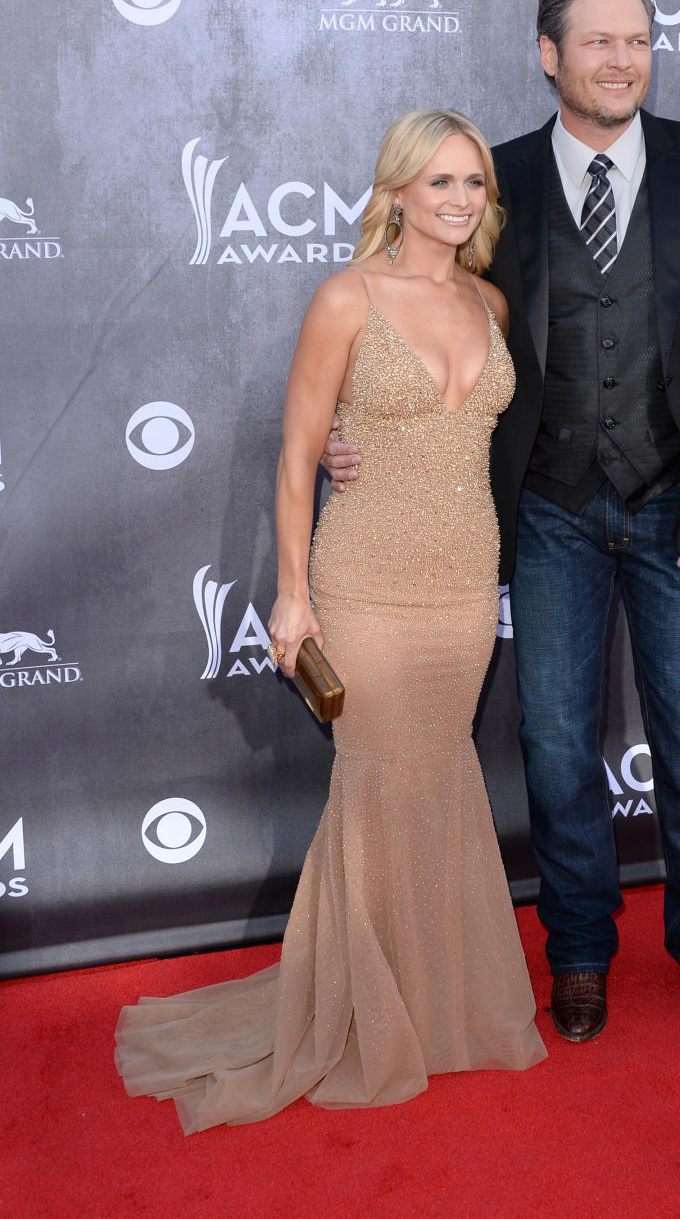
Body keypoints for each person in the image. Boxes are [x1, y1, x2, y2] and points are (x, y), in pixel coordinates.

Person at [325, 0, 680, 1046]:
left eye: (636, 40)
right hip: (543, 511)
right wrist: (355, 429)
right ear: (551, 56)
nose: (621, 60)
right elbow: (414, 319)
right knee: (552, 741)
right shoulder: (490, 182)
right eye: (598, 42)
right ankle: (580, 949)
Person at [114, 109, 546, 1133]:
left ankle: (430, 999)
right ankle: (357, 1008)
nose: (457, 200)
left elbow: (502, 437)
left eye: (473, 184)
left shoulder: (488, 299)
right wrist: (294, 592)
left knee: (438, 773)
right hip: (367, 580)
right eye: (437, 182)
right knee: (379, 779)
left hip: (462, 585)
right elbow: (298, 453)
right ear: (395, 191)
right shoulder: (347, 298)